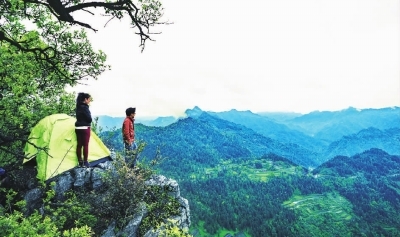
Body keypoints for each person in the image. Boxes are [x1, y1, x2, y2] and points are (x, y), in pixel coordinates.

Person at [75, 92, 92, 168]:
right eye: (89, 99)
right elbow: (89, 119)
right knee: (85, 145)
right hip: (85, 128)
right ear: (85, 99)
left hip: (77, 128)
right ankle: (85, 162)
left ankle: (80, 161)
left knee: (79, 145)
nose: (89, 101)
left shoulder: (78, 107)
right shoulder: (85, 107)